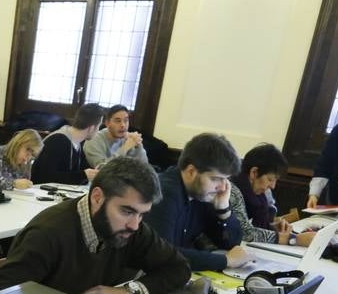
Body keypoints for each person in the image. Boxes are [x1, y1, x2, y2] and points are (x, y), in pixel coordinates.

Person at [0, 156, 191, 294]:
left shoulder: (130, 229)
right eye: (127, 211)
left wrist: (129, 290)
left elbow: (178, 268)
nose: (135, 225)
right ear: (97, 197)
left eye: (142, 214)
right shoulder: (48, 233)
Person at [145, 133, 247, 272]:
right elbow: (160, 253)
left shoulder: (202, 194)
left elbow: (232, 244)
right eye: (216, 179)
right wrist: (225, 260)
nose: (223, 188)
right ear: (191, 171)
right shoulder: (164, 192)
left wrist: (223, 210)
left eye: (226, 179)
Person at [229, 143, 309, 246]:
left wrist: (273, 227)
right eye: (270, 179)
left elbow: (251, 226)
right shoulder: (232, 190)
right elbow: (245, 232)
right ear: (254, 172)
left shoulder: (256, 194)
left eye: (275, 180)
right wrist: (296, 239)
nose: (273, 186)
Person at [31, 102, 104, 186]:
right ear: (91, 128)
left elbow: (83, 169)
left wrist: (93, 172)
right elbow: (45, 176)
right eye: (98, 126)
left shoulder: (77, 143)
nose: (98, 130)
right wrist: (83, 175)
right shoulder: (57, 141)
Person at [83, 105, 147, 168]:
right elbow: (101, 169)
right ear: (107, 123)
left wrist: (139, 146)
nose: (123, 125)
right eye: (118, 121)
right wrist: (125, 148)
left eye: (126, 120)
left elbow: (144, 168)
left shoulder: (128, 138)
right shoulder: (93, 140)